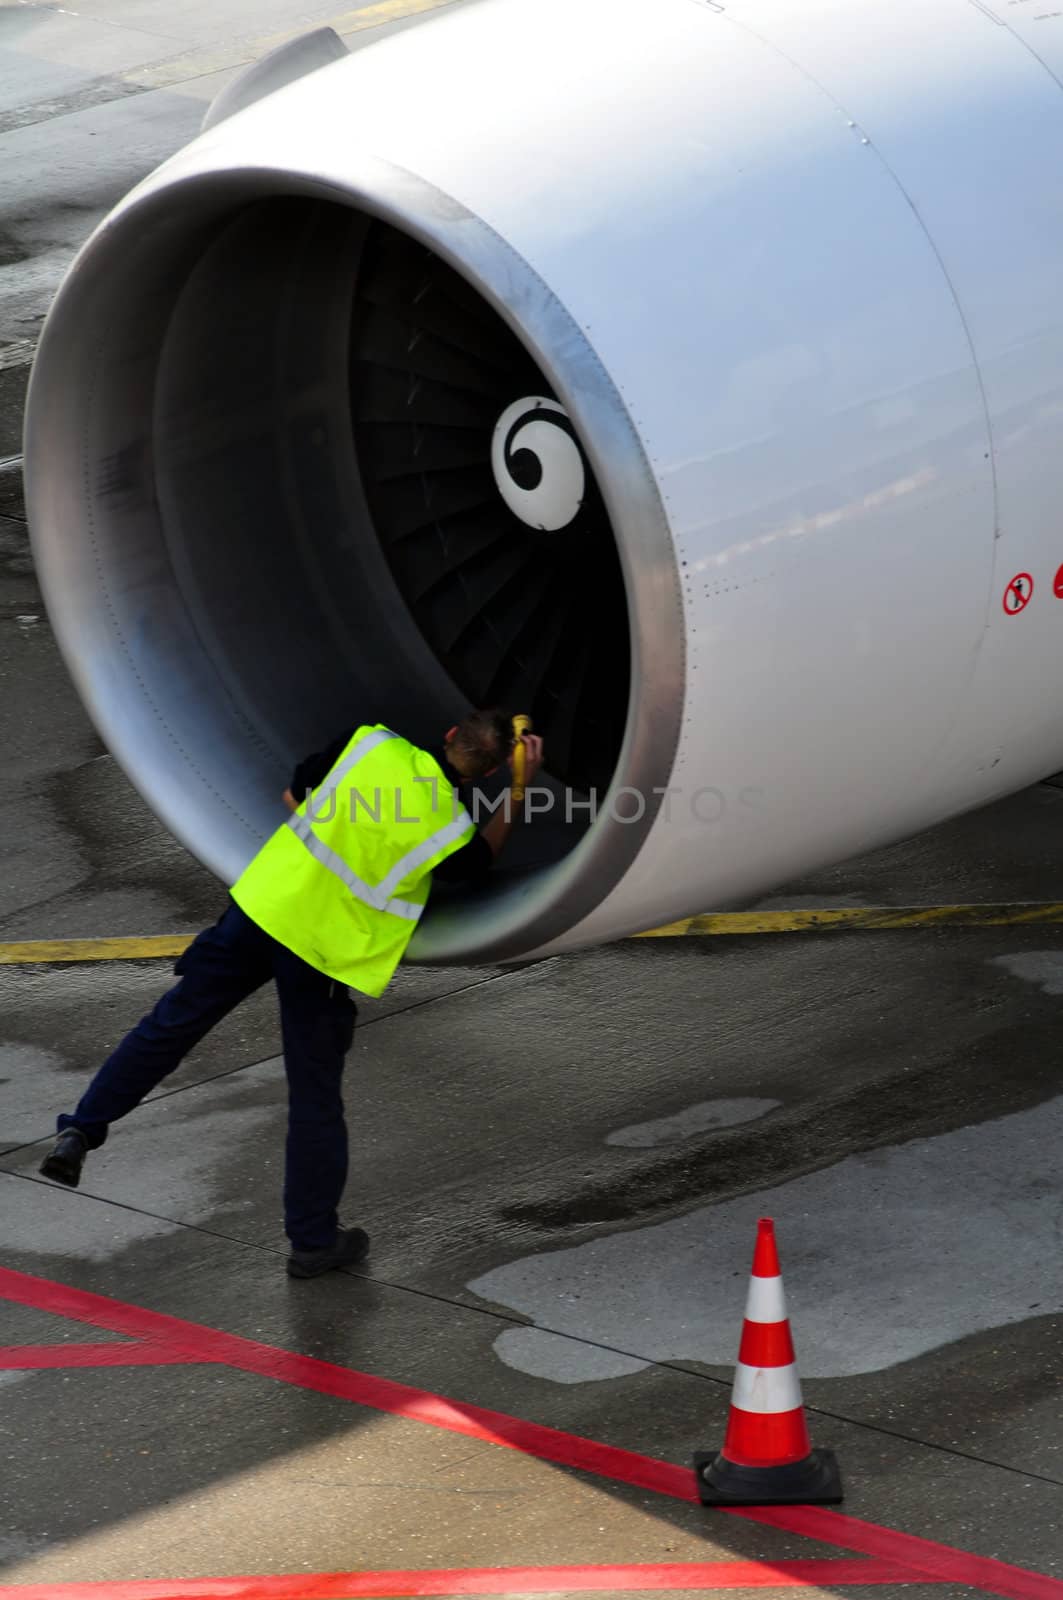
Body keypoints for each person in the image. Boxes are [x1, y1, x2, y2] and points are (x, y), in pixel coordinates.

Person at [38, 709, 544, 1278]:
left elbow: (291, 793)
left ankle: (82, 1127)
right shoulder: (449, 825)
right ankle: (313, 1241)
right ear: (487, 773)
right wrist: (520, 787)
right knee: (314, 1098)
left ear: (450, 733)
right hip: (323, 952)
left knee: (170, 1026)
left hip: (263, 909)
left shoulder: (370, 745)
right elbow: (479, 866)